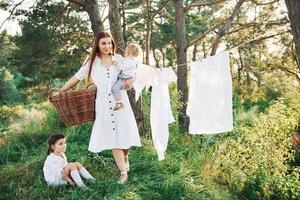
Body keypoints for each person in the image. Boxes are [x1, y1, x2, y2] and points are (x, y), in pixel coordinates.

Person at [60, 32, 141, 184]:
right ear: (97, 44)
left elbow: (133, 72)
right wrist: (61, 90)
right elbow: (76, 78)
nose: (107, 46)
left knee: (124, 134)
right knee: (113, 138)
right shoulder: (91, 62)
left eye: (109, 43)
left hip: (120, 101)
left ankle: (125, 155)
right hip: (104, 104)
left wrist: (130, 81)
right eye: (104, 43)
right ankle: (123, 173)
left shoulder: (118, 59)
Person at [111, 43, 141, 110]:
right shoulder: (133, 61)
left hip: (124, 79)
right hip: (124, 78)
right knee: (116, 88)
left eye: (126, 51)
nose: (125, 53)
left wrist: (116, 63)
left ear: (129, 52)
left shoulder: (129, 61)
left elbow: (122, 67)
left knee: (115, 88)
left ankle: (119, 103)